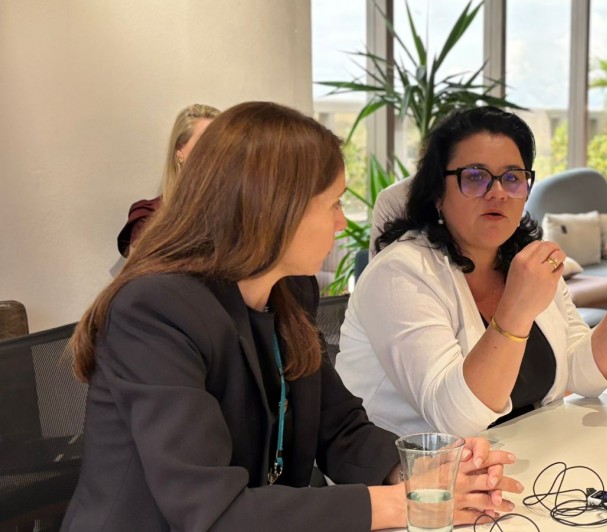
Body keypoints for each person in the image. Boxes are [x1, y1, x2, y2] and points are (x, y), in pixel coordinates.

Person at [64, 102, 520, 531]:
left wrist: (426, 471)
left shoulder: (288, 291)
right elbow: (210, 513)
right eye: (334, 204)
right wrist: (405, 502)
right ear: (274, 210)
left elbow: (340, 428)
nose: (342, 224)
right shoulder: (155, 310)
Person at [335, 106, 607, 437]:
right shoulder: (400, 274)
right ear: (437, 193)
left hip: (519, 460)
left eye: (512, 178)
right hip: (415, 478)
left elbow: (582, 374)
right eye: (475, 176)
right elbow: (454, 418)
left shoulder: (524, 260)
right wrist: (516, 308)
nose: (498, 192)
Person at [116, 103, 220, 257]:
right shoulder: (150, 218)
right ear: (179, 151)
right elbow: (139, 279)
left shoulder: (238, 216)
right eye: (205, 142)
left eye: (223, 144)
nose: (216, 152)